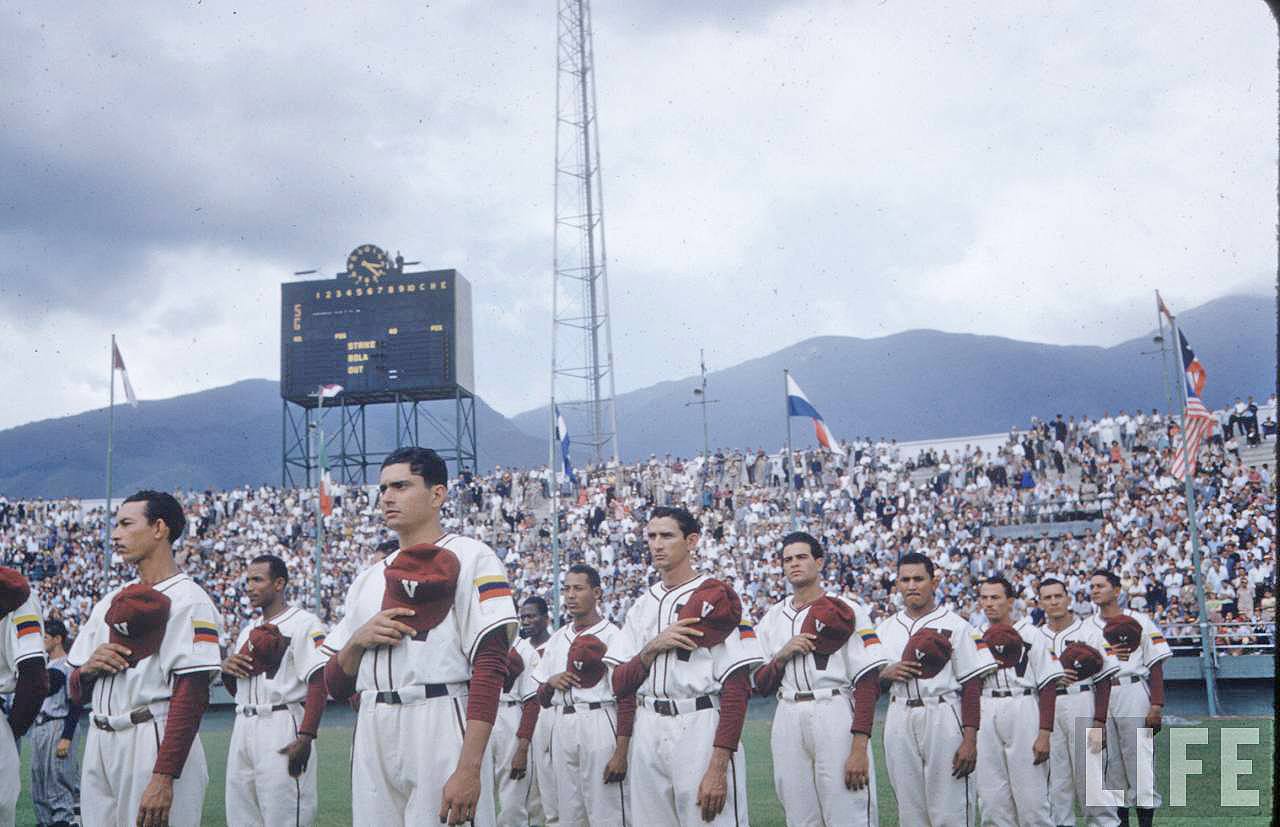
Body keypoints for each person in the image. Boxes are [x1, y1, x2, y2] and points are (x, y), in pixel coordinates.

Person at [321, 447, 517, 826]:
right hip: (374, 721)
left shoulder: (473, 556)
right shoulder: (368, 578)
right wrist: (357, 641)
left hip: (440, 715)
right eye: (383, 489)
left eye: (401, 486)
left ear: (437, 495)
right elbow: (335, 684)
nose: (388, 497)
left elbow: (491, 663)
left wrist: (469, 768)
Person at [67, 490, 223, 827]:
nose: (115, 534)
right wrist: (88, 670)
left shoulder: (190, 600)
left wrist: (164, 777)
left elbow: (192, 694)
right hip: (100, 738)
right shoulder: (110, 600)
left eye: (126, 524)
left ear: (159, 528)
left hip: (151, 735)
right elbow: (75, 690)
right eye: (115, 525)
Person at [611, 506, 763, 826]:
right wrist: (652, 648)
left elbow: (737, 688)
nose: (657, 544)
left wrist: (719, 765)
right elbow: (620, 683)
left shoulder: (718, 596)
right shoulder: (641, 605)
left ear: (691, 541)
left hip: (700, 722)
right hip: (649, 725)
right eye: (651, 536)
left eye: (667, 536)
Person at [753, 531, 887, 826]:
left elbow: (867, 681)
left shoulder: (847, 609)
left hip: (834, 708)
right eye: (788, 560)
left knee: (849, 811)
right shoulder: (773, 618)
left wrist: (859, 748)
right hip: (787, 712)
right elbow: (760, 684)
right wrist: (782, 655)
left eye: (802, 557)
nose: (794, 564)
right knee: (799, 816)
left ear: (819, 562)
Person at [874, 552, 997, 827]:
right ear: (897, 584)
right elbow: (871, 684)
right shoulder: (885, 629)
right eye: (905, 579)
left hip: (943, 711)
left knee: (950, 810)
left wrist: (970, 740)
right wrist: (884, 674)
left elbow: (972, 685)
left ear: (933, 582)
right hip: (899, 712)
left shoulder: (957, 625)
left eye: (919, 578)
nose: (912, 585)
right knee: (910, 810)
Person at [221, 554, 329, 826]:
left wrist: (306, 736)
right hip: (244, 722)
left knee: (283, 815)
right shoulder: (248, 630)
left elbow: (318, 680)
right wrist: (227, 670)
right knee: (242, 815)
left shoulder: (304, 622)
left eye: (257, 580)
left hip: (281, 721)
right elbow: (238, 688)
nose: (249, 587)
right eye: (247, 580)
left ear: (279, 583)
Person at [532, 564, 634, 826]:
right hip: (562, 723)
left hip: (600, 719)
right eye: (566, 589)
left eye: (578, 588)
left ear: (597, 592)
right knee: (569, 814)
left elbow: (626, 697)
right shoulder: (557, 638)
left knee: (607, 813)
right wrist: (550, 683)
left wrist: (621, 752)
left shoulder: (615, 635)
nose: (570, 595)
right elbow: (541, 698)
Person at [974, 576, 1064, 826]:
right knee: (992, 801)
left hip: (1023, 704)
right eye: (984, 598)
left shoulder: (1031, 633)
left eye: (996, 597)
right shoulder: (975, 635)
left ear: (1010, 601)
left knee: (1032, 801)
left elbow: (1048, 685)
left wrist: (1045, 733)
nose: (989, 603)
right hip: (986, 705)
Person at [1089, 570, 1171, 827]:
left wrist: (1156, 704)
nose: (1095, 590)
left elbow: (1156, 663)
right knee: (1110, 763)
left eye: (1101, 586)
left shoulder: (1140, 620)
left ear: (1116, 590)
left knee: (1139, 759)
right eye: (1092, 586)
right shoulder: (1088, 626)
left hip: (1132, 688)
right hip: (1100, 693)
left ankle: (1145, 823)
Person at [1038, 578, 1120, 827]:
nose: (1053, 601)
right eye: (1047, 597)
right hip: (1048, 709)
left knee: (1092, 776)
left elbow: (1105, 679)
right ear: (1040, 602)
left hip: (1083, 700)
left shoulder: (1090, 632)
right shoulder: (1035, 636)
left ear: (1068, 598)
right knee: (1055, 780)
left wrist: (1100, 721)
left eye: (1058, 596)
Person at [494, 596, 551, 827]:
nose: (525, 621)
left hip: (515, 714)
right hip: (488, 715)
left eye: (531, 616)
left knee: (522, 799)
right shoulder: (483, 644)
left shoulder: (526, 650)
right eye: (523, 616)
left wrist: (522, 746)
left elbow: (532, 702)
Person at [0, 567, 49, 826]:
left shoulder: (11, 587)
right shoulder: (13, 587)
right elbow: (34, 679)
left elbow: (34, 678)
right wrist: (11, 732)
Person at [31, 618, 83, 827]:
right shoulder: (44, 663)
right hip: (40, 726)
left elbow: (76, 704)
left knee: (59, 783)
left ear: (58, 639)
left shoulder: (69, 665)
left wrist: (67, 737)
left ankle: (64, 821)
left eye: (45, 637)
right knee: (39, 783)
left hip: (59, 724)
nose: (42, 641)